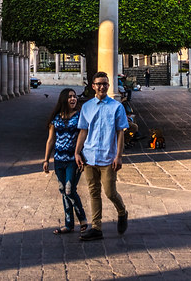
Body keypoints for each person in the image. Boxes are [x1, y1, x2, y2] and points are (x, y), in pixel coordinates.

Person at [75, 71, 129, 241]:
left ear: (108, 85)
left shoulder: (116, 107)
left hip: (108, 156)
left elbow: (120, 133)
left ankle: (122, 211)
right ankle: (96, 227)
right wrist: (77, 152)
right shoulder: (87, 107)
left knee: (110, 192)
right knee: (93, 192)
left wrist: (118, 156)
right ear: (93, 86)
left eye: (105, 84)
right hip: (89, 156)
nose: (102, 87)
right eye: (99, 84)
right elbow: (83, 130)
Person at [43, 88, 88, 235]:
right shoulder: (56, 118)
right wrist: (46, 160)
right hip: (59, 160)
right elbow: (50, 140)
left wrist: (81, 153)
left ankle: (82, 218)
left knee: (69, 190)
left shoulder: (80, 116)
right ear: (64, 99)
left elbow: (84, 135)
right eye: (70, 97)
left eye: (74, 96)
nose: (73, 99)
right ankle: (69, 224)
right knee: (63, 191)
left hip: (73, 159)